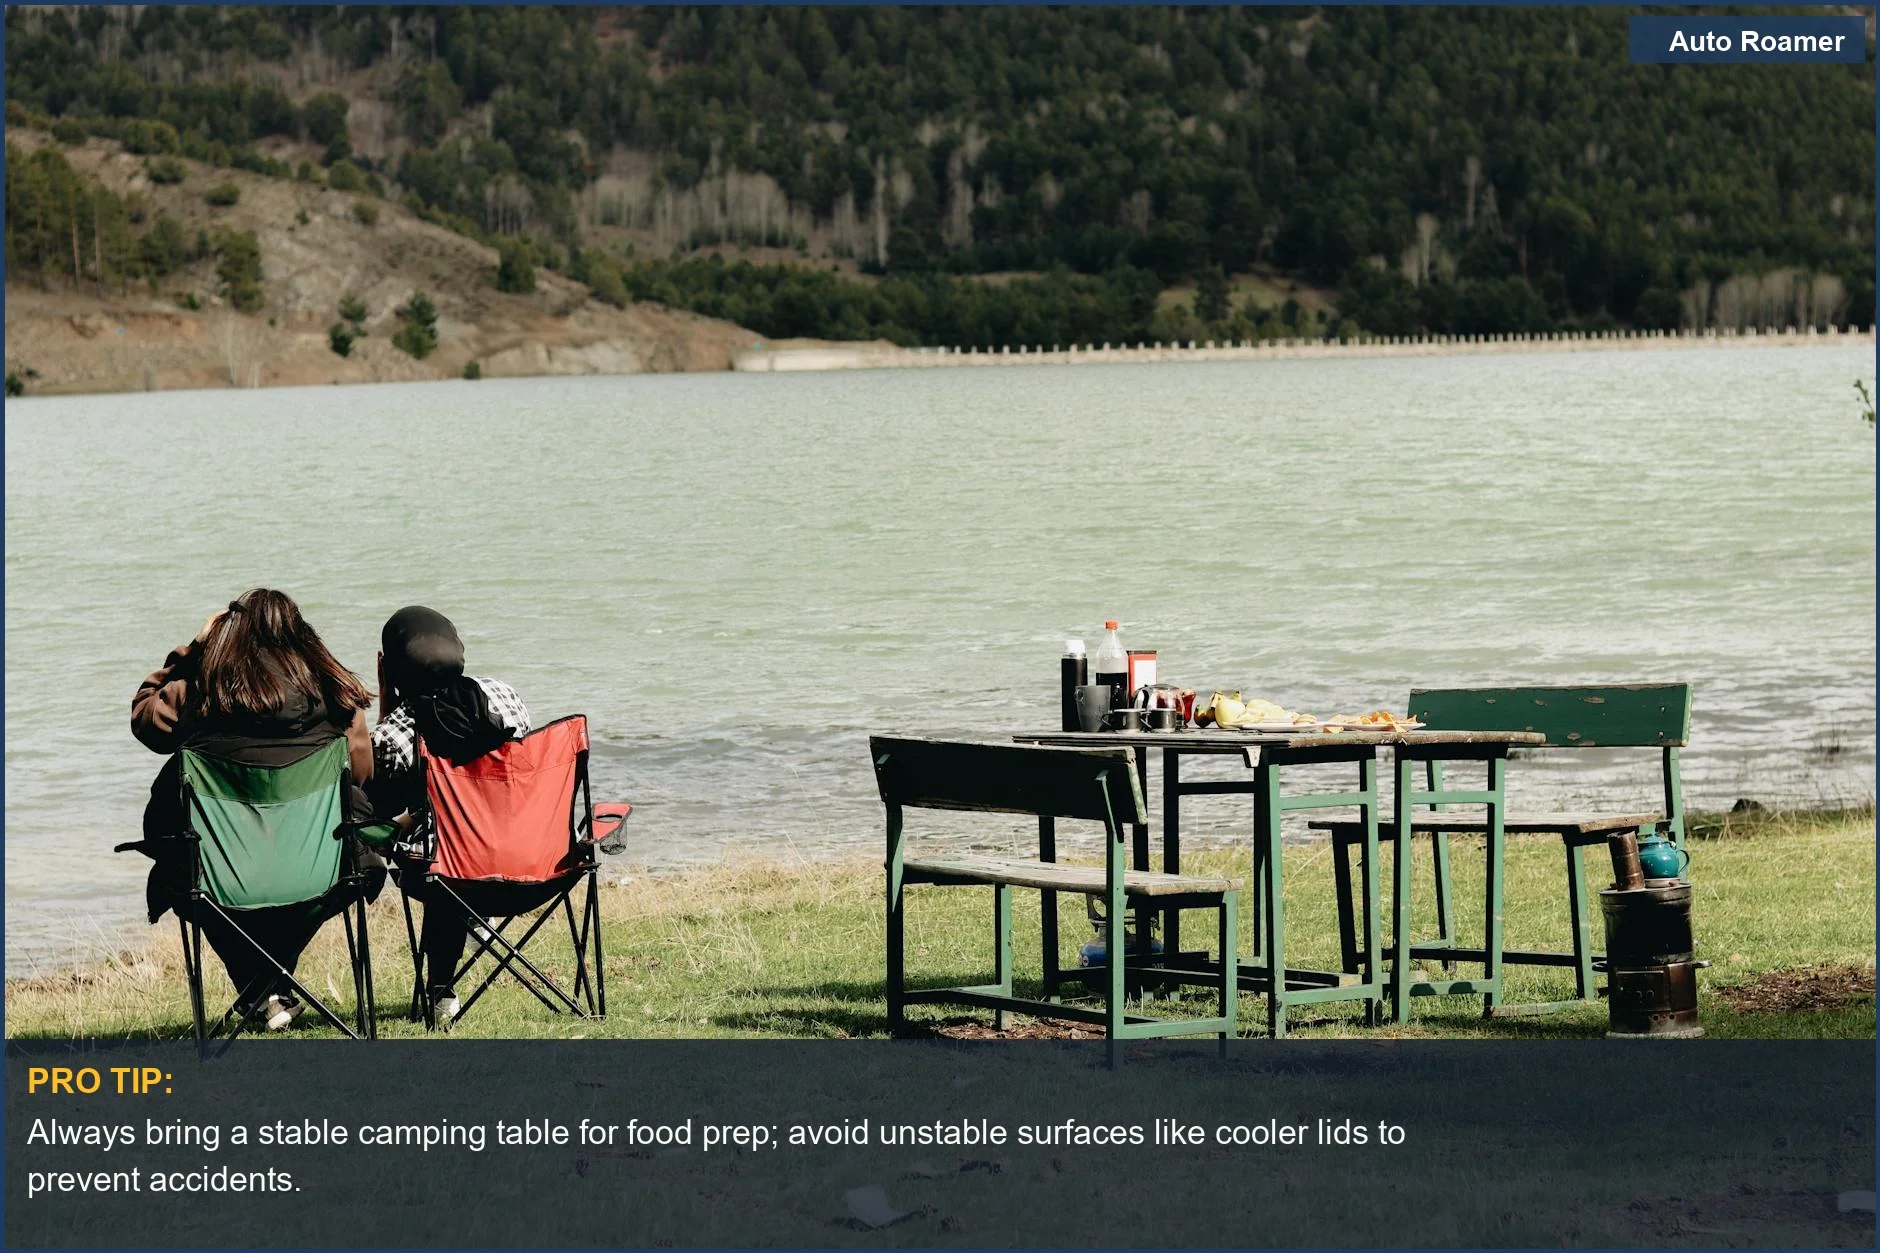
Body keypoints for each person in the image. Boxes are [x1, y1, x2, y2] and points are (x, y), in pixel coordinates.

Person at [131, 588, 377, 1031]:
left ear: (226, 639)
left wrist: (191, 654)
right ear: (303, 637)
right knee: (349, 862)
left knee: (187, 873)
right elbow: (359, 778)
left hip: (217, 871)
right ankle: (270, 987)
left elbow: (145, 720)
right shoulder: (337, 698)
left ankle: (259, 990)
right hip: (319, 867)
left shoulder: (196, 695)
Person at [370, 605, 531, 1025]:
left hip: (453, 875)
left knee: (438, 854)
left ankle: (442, 989)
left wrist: (388, 702)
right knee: (453, 839)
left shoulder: (393, 733)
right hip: (527, 862)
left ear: (391, 667)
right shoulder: (505, 696)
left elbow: (384, 809)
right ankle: (477, 919)